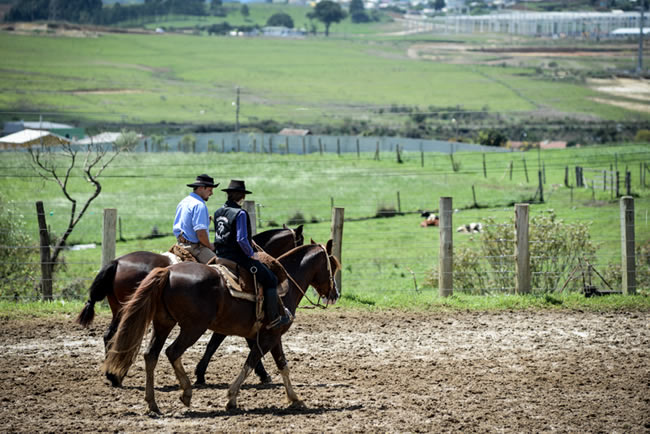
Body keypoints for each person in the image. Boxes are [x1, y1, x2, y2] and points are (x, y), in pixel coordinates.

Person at [213, 180, 292, 330]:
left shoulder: (218, 212)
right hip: (237, 257)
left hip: (220, 255)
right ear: (241, 196)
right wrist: (251, 254)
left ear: (228, 195)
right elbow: (242, 239)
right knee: (270, 279)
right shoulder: (240, 213)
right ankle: (274, 317)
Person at [173, 174, 218, 264]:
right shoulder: (199, 205)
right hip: (194, 247)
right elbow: (201, 234)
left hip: (180, 245)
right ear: (201, 188)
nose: (212, 193)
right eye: (210, 190)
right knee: (220, 266)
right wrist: (210, 246)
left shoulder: (183, 202)